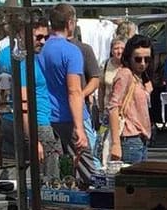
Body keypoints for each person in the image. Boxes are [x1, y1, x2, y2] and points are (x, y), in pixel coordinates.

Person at [33, 11, 96, 188]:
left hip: (47, 118)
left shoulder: (41, 49)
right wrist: (79, 128)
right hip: (69, 116)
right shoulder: (71, 51)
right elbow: (74, 90)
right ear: (70, 23)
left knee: (58, 175)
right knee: (89, 174)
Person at [106, 34, 155, 165]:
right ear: (129, 57)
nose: (143, 63)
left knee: (141, 183)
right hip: (129, 139)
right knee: (132, 182)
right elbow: (113, 107)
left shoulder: (140, 77)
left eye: (147, 59)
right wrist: (116, 144)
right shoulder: (125, 74)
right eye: (138, 59)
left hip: (141, 139)